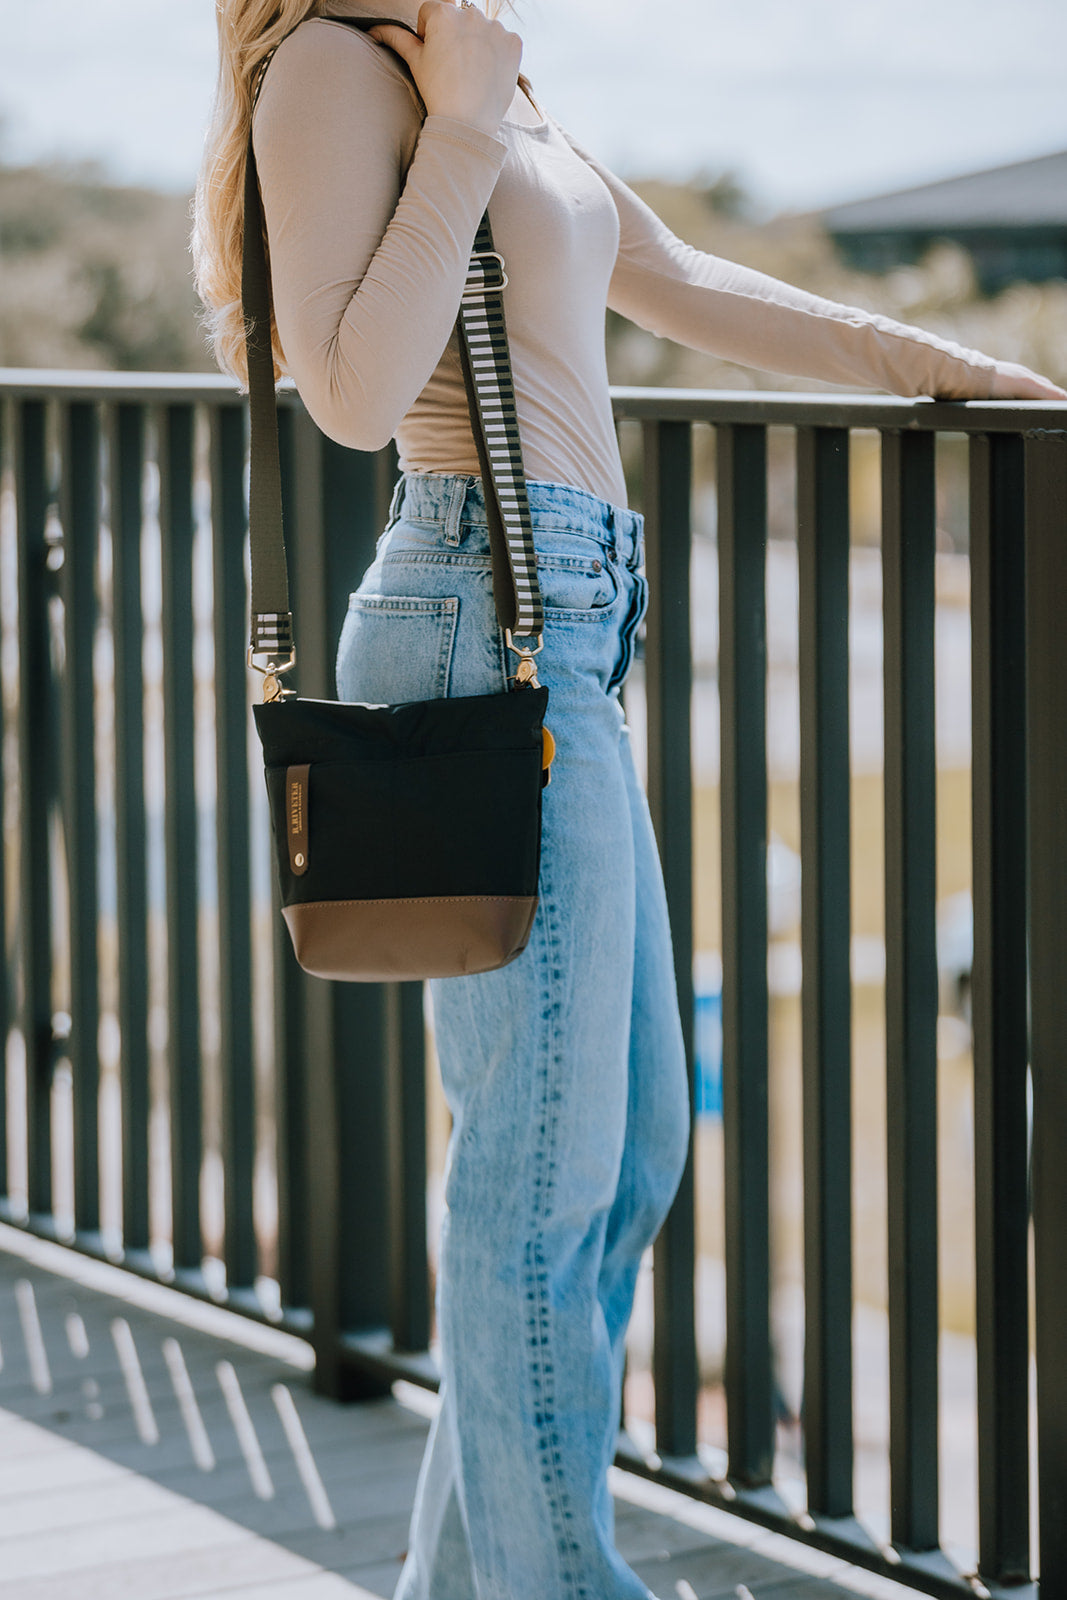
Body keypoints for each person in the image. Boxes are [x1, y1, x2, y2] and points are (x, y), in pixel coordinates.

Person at [193, 5, 1065, 1597]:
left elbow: (677, 278)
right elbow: (349, 392)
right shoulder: (339, 63)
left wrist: (951, 370)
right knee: (538, 1185)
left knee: (632, 1145)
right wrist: (456, 120)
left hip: (568, 626)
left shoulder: (480, 56)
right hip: (476, 612)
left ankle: (464, 1581)